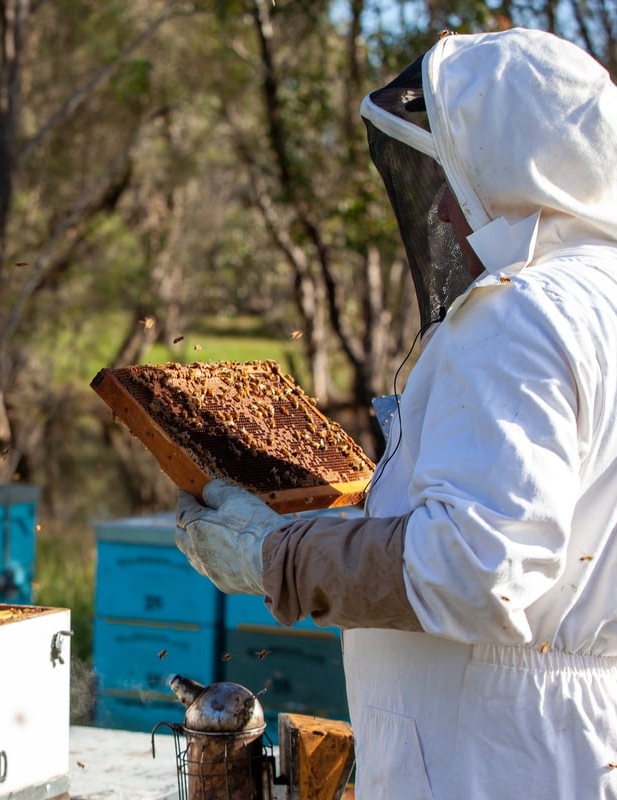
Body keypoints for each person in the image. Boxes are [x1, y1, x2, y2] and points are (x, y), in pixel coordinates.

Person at [176, 28, 617, 799]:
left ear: (520, 166)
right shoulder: (599, 300)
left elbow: (479, 570)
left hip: (489, 755)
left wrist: (276, 556)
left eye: (454, 173)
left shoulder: (522, 312)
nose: (443, 208)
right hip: (565, 737)